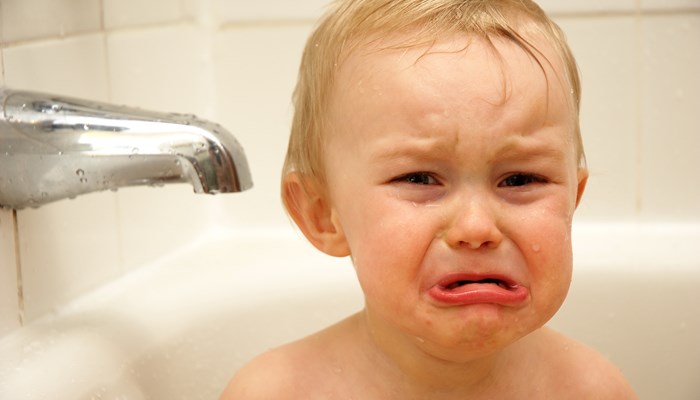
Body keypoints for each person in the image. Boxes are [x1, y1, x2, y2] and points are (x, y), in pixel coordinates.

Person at [221, 0, 638, 398]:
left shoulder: (591, 390)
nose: (476, 228)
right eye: (420, 178)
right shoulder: (278, 392)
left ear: (573, 202)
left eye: (520, 179)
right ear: (322, 216)